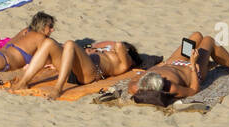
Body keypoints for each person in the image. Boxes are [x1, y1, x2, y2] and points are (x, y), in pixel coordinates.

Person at [128, 32, 229, 106]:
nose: (163, 77)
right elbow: (193, 90)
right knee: (209, 40)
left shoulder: (135, 86)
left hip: (172, 62)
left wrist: (161, 65)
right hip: (191, 69)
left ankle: (204, 57)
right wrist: (192, 63)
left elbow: (144, 73)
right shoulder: (171, 87)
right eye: (162, 79)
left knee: (196, 36)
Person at [9, 35, 142, 99]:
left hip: (90, 74)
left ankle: (58, 88)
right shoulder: (108, 54)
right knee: (49, 42)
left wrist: (124, 48)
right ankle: (23, 82)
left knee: (70, 44)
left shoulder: (123, 63)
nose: (111, 48)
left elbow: (119, 45)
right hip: (75, 69)